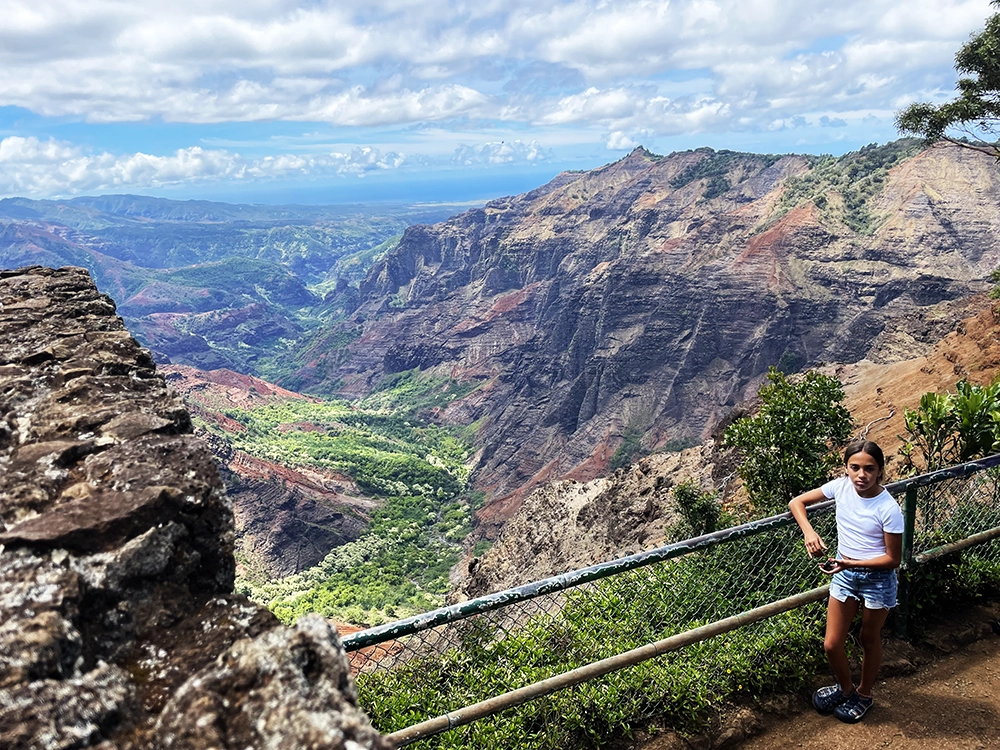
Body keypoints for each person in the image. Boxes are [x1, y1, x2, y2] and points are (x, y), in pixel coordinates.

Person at [788, 439, 904, 723]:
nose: (861, 475)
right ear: (846, 469)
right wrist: (809, 533)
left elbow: (893, 559)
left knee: (868, 637)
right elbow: (796, 502)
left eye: (869, 469)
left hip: (876, 579)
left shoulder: (888, 508)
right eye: (855, 467)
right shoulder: (840, 487)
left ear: (879, 471)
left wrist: (850, 563)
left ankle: (864, 695)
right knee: (831, 643)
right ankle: (846, 688)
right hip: (844, 574)